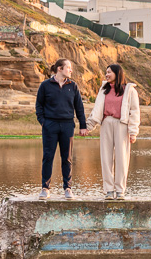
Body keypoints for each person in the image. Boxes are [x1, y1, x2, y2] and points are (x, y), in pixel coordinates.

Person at [86, 64, 141, 200]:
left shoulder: (129, 90)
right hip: (106, 123)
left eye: (109, 72)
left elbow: (134, 112)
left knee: (122, 158)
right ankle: (109, 190)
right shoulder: (103, 89)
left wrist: (133, 132)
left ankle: (120, 190)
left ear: (117, 73)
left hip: (122, 124)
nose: (107, 74)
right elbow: (97, 109)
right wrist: (88, 126)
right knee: (106, 158)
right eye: (106, 72)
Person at [36, 58, 89, 199]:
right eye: (68, 67)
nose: (71, 70)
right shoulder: (45, 85)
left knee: (67, 158)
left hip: (67, 125)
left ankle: (68, 188)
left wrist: (83, 125)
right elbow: (39, 106)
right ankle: (45, 188)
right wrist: (43, 122)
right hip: (50, 126)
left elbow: (79, 108)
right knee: (48, 157)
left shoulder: (73, 86)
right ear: (60, 68)